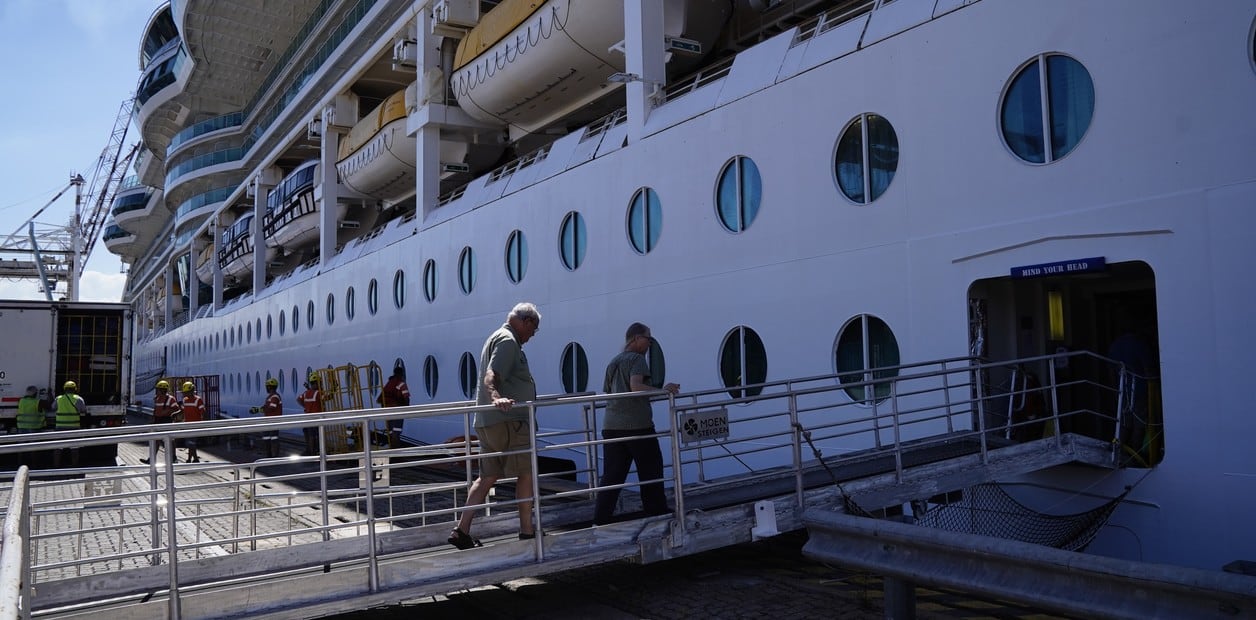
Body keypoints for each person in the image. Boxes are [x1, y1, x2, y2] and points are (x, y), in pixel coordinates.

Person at [448, 302, 542, 550]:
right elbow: (492, 375)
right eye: (533, 331)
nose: (531, 337)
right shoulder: (508, 341)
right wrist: (495, 397)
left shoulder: (497, 337)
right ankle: (527, 532)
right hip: (509, 421)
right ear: (526, 321)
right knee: (525, 473)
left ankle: (462, 530)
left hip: (490, 422)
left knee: (487, 476)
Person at [594, 322, 680, 525]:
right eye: (647, 338)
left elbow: (608, 390)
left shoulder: (614, 361)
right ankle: (656, 511)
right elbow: (635, 386)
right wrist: (663, 390)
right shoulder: (638, 360)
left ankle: (601, 518)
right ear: (636, 339)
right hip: (637, 425)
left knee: (612, 475)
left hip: (611, 425)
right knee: (651, 467)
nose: (650, 342)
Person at [140, 380, 181, 464]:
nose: (157, 391)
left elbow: (177, 409)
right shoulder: (157, 398)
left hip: (166, 421)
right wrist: (152, 420)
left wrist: (168, 412)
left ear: (163, 390)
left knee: (170, 440)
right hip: (157, 421)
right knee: (156, 441)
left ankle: (173, 458)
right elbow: (155, 410)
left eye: (158, 389)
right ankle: (151, 460)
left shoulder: (170, 399)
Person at [52, 380, 87, 468]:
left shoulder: (59, 398)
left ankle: (56, 466)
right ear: (75, 389)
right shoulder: (78, 399)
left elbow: (53, 408)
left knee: (58, 447)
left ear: (64, 389)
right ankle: (74, 466)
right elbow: (83, 410)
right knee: (74, 448)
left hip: (60, 427)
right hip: (74, 427)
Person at [250, 378, 283, 458]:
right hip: (268, 421)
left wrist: (259, 409)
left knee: (274, 438)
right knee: (267, 438)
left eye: (267, 386)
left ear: (269, 387)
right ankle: (269, 455)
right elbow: (266, 407)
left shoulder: (275, 397)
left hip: (273, 421)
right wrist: (258, 410)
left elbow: (272, 408)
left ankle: (275, 457)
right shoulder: (270, 397)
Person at [378, 369, 411, 449]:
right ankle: (396, 451)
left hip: (387, 410)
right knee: (397, 431)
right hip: (397, 410)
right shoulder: (401, 383)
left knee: (391, 432)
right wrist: (407, 408)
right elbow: (406, 397)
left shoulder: (389, 383)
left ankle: (392, 449)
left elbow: (382, 397)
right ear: (402, 374)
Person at [179, 381, 207, 463]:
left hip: (195, 425)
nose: (184, 394)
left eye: (185, 392)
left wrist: (203, 424)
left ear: (191, 391)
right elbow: (184, 410)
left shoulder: (198, 400)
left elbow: (203, 412)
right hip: (187, 424)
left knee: (191, 443)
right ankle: (195, 459)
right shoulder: (185, 400)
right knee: (190, 443)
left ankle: (189, 459)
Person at [298, 374, 323, 456]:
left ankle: (309, 450)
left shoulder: (306, 393)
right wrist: (334, 391)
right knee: (314, 435)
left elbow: (298, 399)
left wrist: (305, 406)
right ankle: (314, 453)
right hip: (315, 418)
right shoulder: (318, 393)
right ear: (316, 383)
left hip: (306, 417)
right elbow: (326, 398)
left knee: (308, 434)